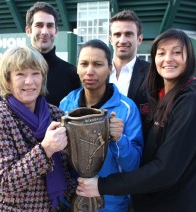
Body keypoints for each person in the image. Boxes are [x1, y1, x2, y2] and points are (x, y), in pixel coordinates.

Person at [76, 29, 196, 212]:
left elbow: (166, 170)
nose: (168, 59)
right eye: (161, 53)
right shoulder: (162, 97)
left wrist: (103, 185)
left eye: (177, 52)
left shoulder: (192, 101)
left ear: (189, 57)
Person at [0, 45, 76, 211]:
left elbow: (65, 170)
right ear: (8, 79)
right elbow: (5, 181)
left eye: (35, 73)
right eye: (20, 74)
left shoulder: (56, 114)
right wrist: (46, 149)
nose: (29, 81)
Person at [59, 39, 143, 212]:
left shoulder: (126, 108)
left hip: (112, 205)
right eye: (84, 64)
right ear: (77, 68)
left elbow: (134, 165)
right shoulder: (66, 104)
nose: (90, 71)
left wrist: (119, 139)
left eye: (97, 64)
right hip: (72, 203)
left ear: (110, 68)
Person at [25, 1, 81, 106]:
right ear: (28, 31)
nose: (45, 32)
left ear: (56, 31)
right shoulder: (15, 72)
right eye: (39, 25)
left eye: (50, 26)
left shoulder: (73, 74)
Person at [109, 10, 150, 123]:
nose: (122, 40)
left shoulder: (152, 73)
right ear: (111, 39)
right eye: (117, 34)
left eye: (128, 34)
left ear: (139, 39)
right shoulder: (99, 71)